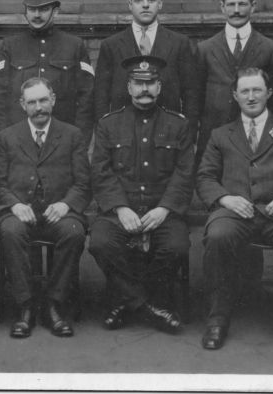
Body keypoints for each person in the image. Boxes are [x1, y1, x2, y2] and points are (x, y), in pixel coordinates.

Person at [196, 67, 273, 355]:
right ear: (235, 95)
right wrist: (225, 199)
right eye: (245, 91)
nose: (251, 97)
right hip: (236, 212)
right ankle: (218, 318)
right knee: (217, 235)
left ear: (269, 93)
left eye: (257, 90)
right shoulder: (220, 134)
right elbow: (204, 177)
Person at [89, 56, 194, 335]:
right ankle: (148, 306)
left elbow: (184, 173)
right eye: (138, 83)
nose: (144, 89)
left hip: (162, 209)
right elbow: (100, 172)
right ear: (129, 87)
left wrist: (164, 209)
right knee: (99, 242)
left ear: (159, 87)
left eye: (150, 83)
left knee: (177, 246)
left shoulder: (179, 125)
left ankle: (127, 302)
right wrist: (120, 208)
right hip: (119, 210)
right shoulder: (108, 125)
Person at [0, 77, 90, 338]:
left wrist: (65, 203)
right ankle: (25, 306)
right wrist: (13, 205)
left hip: (59, 211)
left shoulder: (72, 135)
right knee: (11, 232)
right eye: (32, 102)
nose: (39, 107)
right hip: (19, 211)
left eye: (43, 100)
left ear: (53, 100)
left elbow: (83, 182)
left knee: (73, 232)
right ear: (22, 104)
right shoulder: (7, 137)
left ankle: (53, 304)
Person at [0, 0, 94, 144]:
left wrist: (78, 143)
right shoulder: (9, 46)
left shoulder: (74, 46)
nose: (37, 15)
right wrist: (4, 141)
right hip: (19, 142)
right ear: (25, 11)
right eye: (32, 9)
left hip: (63, 142)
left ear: (56, 11)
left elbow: (86, 100)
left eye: (44, 9)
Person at [93, 0, 200, 141]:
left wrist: (187, 136)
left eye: (151, 0)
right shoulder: (111, 45)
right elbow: (101, 96)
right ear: (130, 5)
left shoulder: (179, 43)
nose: (145, 5)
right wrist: (106, 136)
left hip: (168, 136)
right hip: (124, 137)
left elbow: (191, 95)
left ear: (160, 3)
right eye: (138, 0)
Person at [197, 0, 273, 160]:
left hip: (256, 137)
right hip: (214, 136)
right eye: (231, 4)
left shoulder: (270, 49)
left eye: (242, 4)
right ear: (222, 7)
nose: (236, 10)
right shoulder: (204, 49)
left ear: (253, 7)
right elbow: (196, 97)